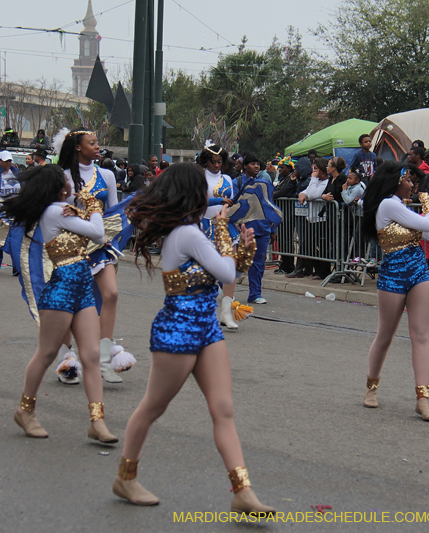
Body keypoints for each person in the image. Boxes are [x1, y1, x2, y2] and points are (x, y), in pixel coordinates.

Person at [113, 162, 273, 515]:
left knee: (223, 409)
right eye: (203, 187)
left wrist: (243, 247)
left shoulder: (192, 232)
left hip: (207, 329)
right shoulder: (187, 234)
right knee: (152, 407)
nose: (210, 193)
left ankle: (242, 491)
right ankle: (125, 476)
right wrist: (224, 229)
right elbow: (226, 271)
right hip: (179, 328)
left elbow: (227, 271)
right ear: (192, 193)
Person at [2, 164, 117, 443]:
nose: (71, 183)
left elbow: (92, 232)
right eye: (66, 180)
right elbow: (98, 234)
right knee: (47, 353)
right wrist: (94, 206)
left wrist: (84, 209)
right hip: (61, 289)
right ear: (58, 187)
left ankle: (97, 421)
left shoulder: (65, 211)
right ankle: (25, 411)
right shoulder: (55, 211)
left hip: (82, 288)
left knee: (91, 355)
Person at [360, 161, 429, 422]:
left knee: (420, 336)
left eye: (413, 181)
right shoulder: (388, 205)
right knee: (385, 335)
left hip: (418, 271)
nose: (412, 185)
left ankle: (423, 399)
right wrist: (428, 202)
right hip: (393, 274)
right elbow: (427, 224)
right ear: (395, 181)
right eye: (408, 180)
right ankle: (371, 388)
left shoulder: (400, 207)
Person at [55, 127, 134, 385]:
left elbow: (113, 211)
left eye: (97, 143)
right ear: (78, 147)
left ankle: (104, 359)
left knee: (110, 294)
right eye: (92, 143)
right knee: (70, 304)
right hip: (70, 245)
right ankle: (67, 359)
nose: (98, 147)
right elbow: (56, 211)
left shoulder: (107, 175)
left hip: (99, 244)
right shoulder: (62, 175)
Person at [197, 142, 242, 330]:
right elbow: (197, 200)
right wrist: (218, 200)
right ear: (206, 161)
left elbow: (232, 203)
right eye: (213, 162)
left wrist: (237, 218)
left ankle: (226, 313)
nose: (216, 165)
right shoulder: (199, 177)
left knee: (229, 269)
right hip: (204, 226)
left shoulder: (228, 179)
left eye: (219, 162)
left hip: (226, 226)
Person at [229, 152, 282, 305]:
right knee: (233, 261)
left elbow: (269, 206)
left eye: (257, 164)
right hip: (241, 230)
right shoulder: (236, 182)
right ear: (245, 166)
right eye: (252, 164)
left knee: (258, 263)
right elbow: (233, 206)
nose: (256, 166)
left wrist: (273, 229)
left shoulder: (264, 184)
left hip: (262, 228)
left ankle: (255, 294)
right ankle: (225, 289)